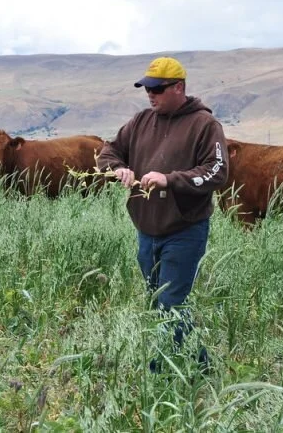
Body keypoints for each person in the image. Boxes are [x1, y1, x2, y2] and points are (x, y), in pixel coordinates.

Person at [96, 56, 229, 374]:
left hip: (185, 230)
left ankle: (159, 372)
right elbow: (107, 152)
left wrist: (170, 179)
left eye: (157, 88)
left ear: (179, 87)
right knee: (158, 302)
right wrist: (118, 169)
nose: (150, 94)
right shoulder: (141, 121)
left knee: (170, 302)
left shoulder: (204, 125)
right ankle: (201, 366)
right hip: (146, 228)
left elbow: (218, 171)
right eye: (147, 89)